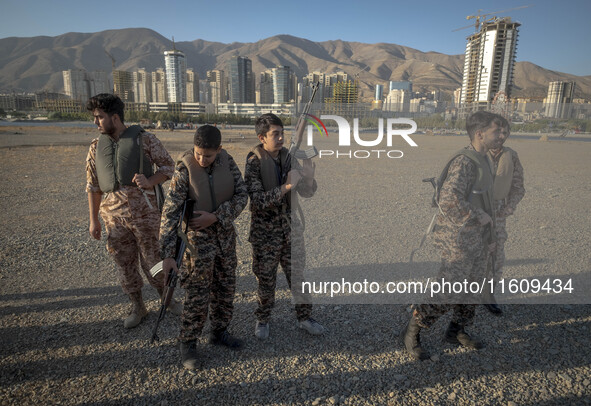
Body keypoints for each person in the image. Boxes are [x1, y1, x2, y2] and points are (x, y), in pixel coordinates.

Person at [401, 111, 505, 360]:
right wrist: (477, 215)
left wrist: (491, 237)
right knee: (448, 290)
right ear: (480, 134)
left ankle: (456, 330)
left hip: (478, 238)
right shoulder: (465, 162)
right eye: (496, 131)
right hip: (458, 238)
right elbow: (448, 200)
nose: (501, 136)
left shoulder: (485, 159)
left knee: (473, 287)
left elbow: (486, 199)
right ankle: (412, 330)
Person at [86, 93, 180, 329]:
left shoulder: (145, 140)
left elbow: (169, 167)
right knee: (124, 263)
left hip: (146, 216)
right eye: (95, 117)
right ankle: (138, 307)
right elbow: (93, 186)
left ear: (114, 117)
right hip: (113, 219)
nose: (95, 122)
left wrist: (150, 181)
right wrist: (93, 220)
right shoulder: (96, 147)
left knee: (155, 261)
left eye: (99, 117)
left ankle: (166, 300)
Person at [159, 125, 247, 370]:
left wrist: (216, 216)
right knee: (197, 294)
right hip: (197, 245)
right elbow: (169, 214)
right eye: (198, 154)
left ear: (218, 150)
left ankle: (219, 332)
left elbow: (242, 196)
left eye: (207, 155)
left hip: (225, 240)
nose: (202, 159)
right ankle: (188, 342)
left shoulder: (227, 162)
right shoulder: (184, 169)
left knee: (225, 289)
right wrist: (167, 255)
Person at [245, 113, 324, 341]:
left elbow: (307, 193)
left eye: (282, 133)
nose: (280, 138)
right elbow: (258, 200)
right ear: (262, 137)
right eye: (275, 134)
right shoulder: (254, 162)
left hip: (291, 230)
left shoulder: (290, 157)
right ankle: (263, 319)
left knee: (298, 277)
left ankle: (304, 317)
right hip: (265, 234)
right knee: (266, 280)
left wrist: (308, 179)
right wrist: (287, 186)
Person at [484, 118, 525, 315]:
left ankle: (489, 295)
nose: (501, 136)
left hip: (499, 215)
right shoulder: (473, 153)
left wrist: (510, 207)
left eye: (505, 132)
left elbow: (518, 186)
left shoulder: (511, 156)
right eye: (497, 132)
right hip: (475, 214)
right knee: (470, 255)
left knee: (496, 256)